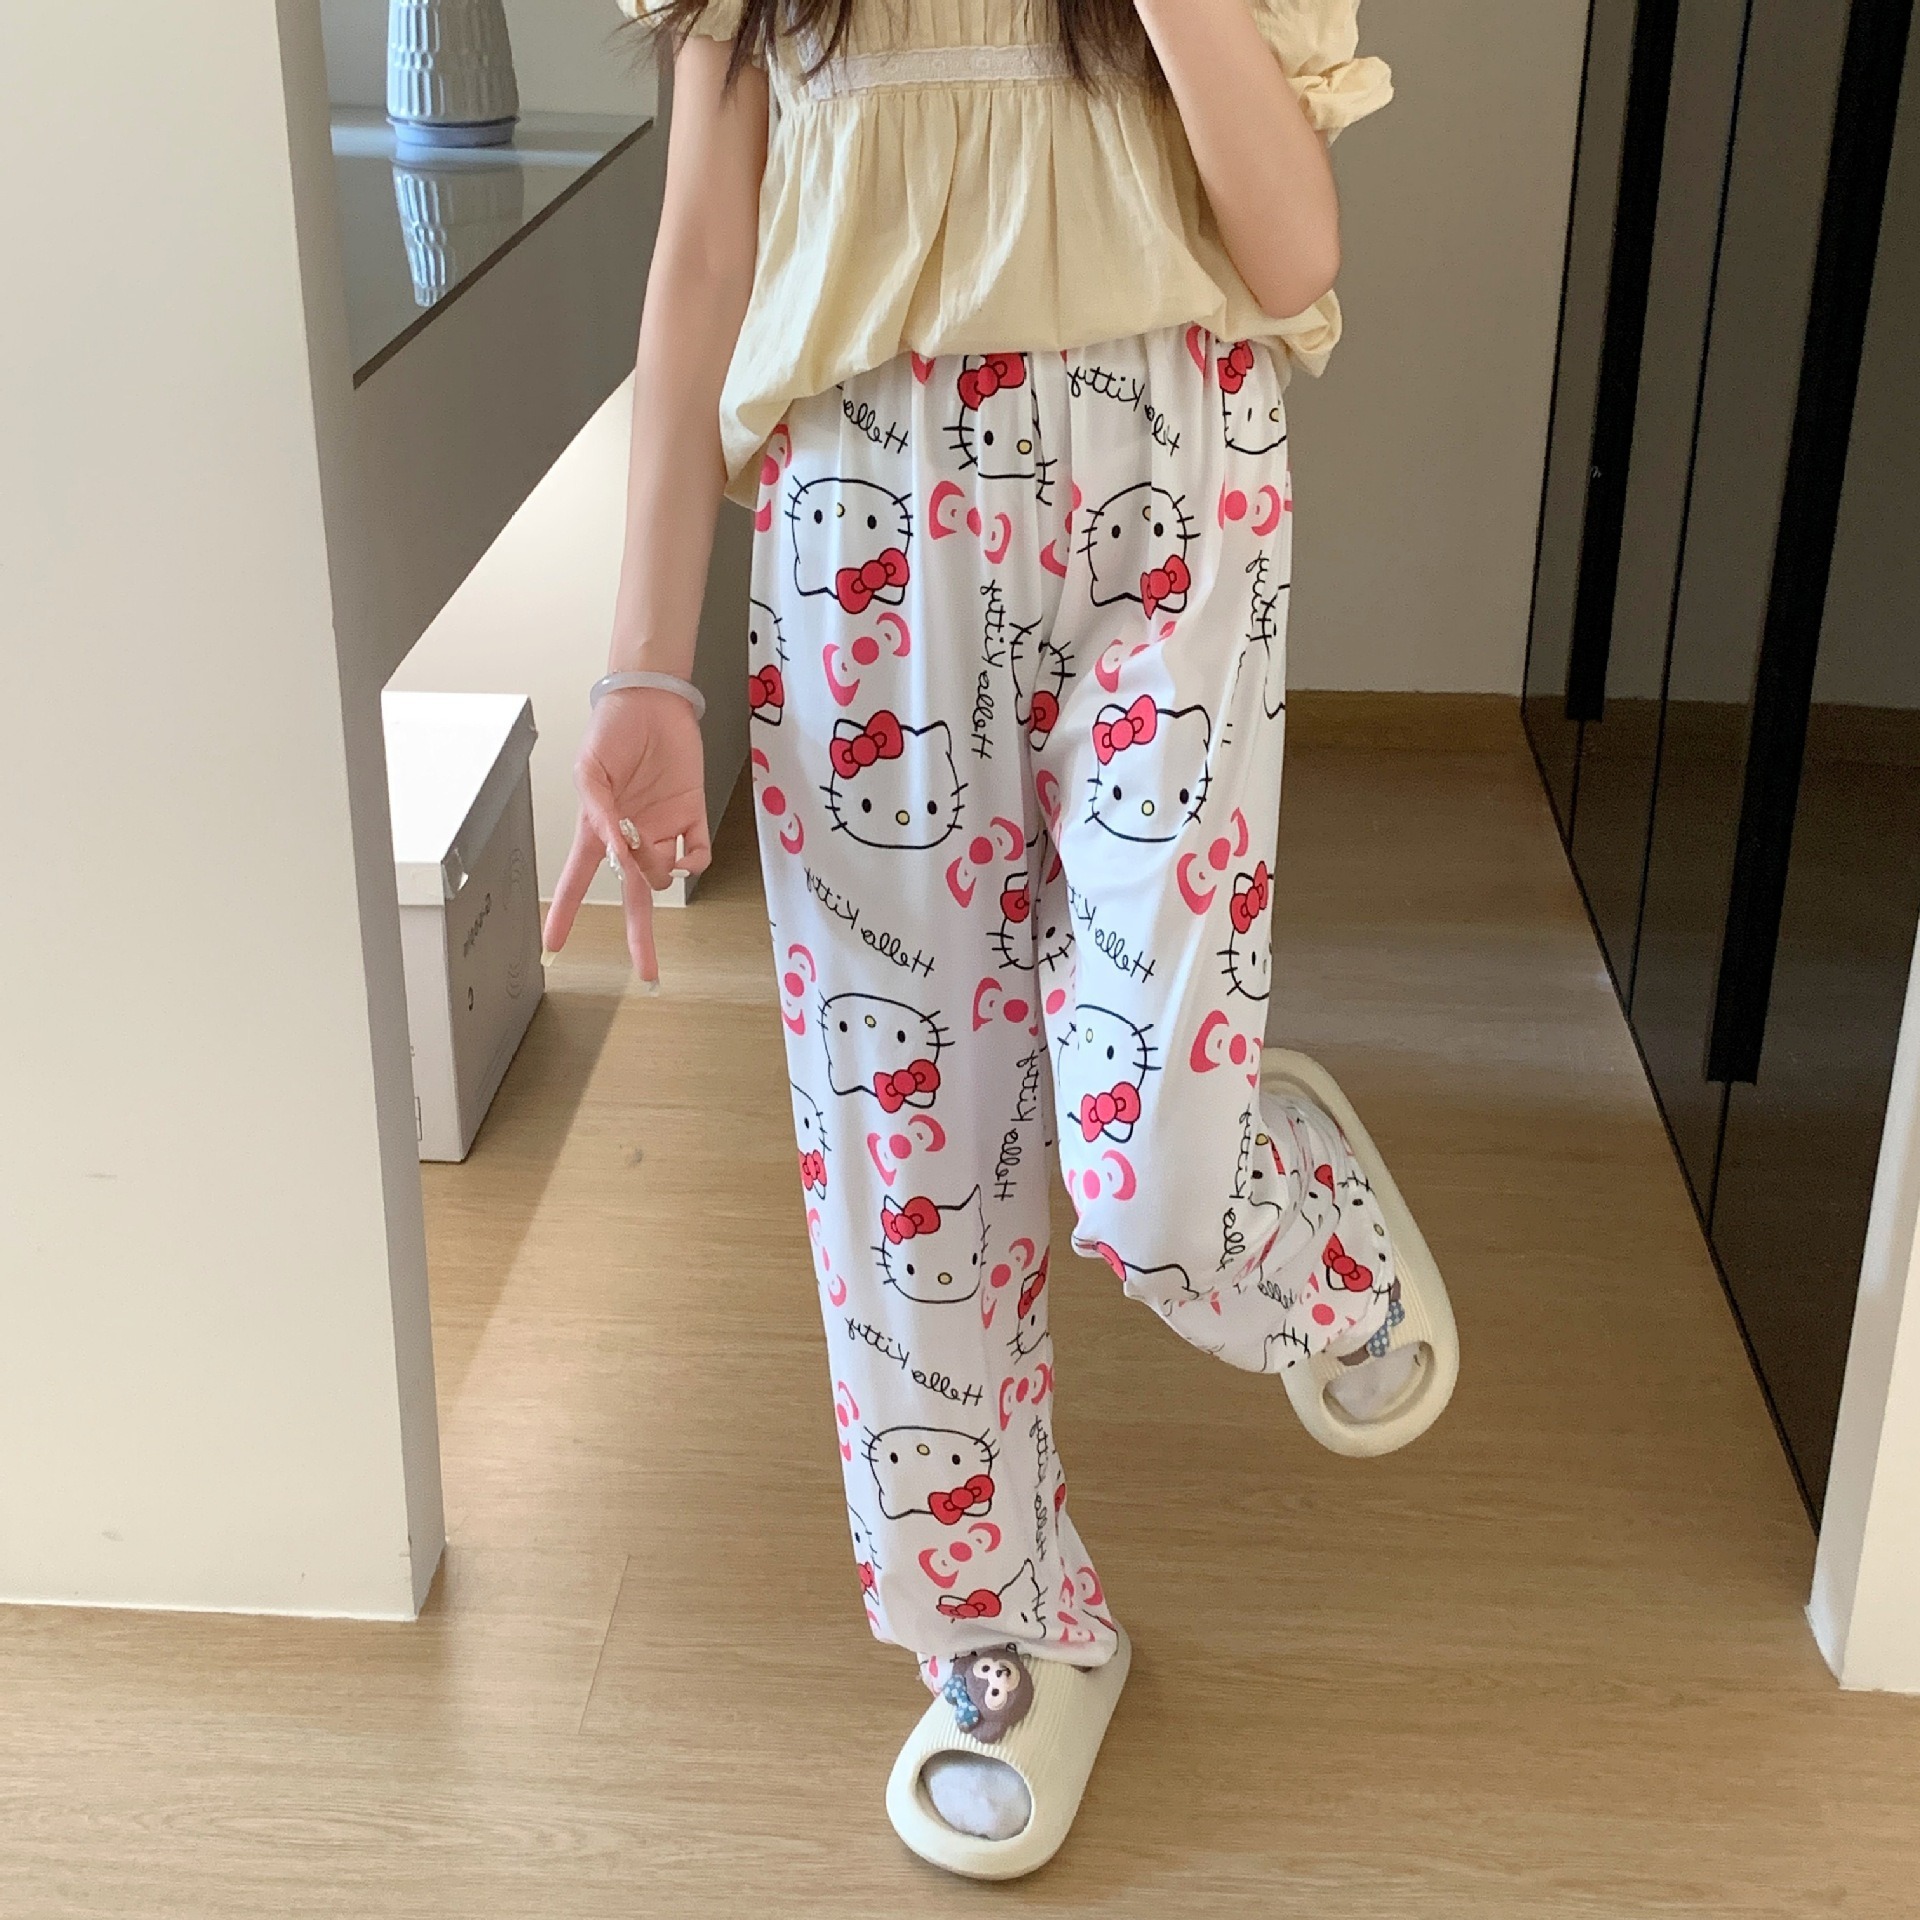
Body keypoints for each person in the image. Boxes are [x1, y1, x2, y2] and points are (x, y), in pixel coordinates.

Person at [541, 0, 1457, 1879]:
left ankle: (1271, 1203)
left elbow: (1295, 251)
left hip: (1174, 489)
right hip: (860, 502)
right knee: (908, 1145)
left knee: (1149, 1169)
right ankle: (1006, 1628)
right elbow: (701, 263)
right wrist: (643, 663)